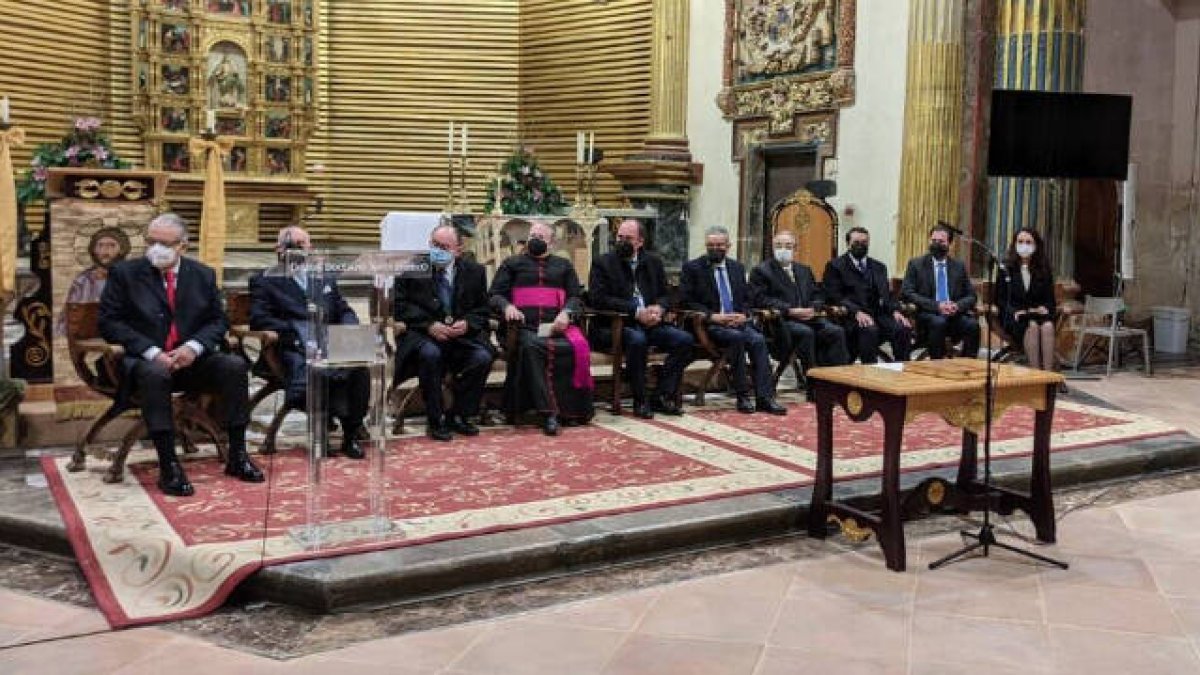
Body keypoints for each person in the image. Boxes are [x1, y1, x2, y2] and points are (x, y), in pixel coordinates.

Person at [99, 213, 263, 497]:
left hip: (191, 361)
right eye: (151, 241)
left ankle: (237, 454)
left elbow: (218, 321)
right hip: (145, 363)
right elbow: (110, 323)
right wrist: (151, 352)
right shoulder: (125, 274)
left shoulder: (202, 274)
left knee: (234, 365)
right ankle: (169, 465)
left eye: (164, 243)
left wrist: (193, 347)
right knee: (155, 372)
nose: (155, 249)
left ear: (182, 247)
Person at [248, 226, 371, 458]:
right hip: (292, 346)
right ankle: (322, 430)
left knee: (359, 369)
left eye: (302, 244)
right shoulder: (264, 280)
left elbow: (343, 308)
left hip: (330, 341)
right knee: (319, 371)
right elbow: (259, 318)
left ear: (310, 248)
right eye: (291, 245)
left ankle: (350, 434)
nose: (298, 249)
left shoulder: (323, 276)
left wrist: (349, 326)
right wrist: (297, 327)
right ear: (279, 249)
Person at [489, 222, 593, 435]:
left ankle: (571, 411)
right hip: (522, 328)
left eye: (541, 237)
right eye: (532, 235)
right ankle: (548, 413)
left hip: (557, 326)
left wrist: (567, 313)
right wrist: (507, 306)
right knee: (531, 347)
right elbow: (494, 295)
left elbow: (575, 297)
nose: (535, 240)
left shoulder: (564, 266)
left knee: (574, 347)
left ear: (552, 242)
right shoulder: (511, 264)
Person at [393, 224, 495, 441]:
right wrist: (429, 325)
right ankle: (435, 419)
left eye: (444, 247)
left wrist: (468, 323)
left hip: (461, 337)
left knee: (482, 357)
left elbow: (482, 309)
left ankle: (460, 415)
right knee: (431, 355)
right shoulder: (411, 268)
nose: (438, 250)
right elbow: (400, 306)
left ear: (458, 249)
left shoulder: (475, 272)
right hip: (423, 334)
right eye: (434, 245)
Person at [588, 219, 693, 418]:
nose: (622, 242)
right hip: (615, 325)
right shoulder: (603, 262)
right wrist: (636, 311)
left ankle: (661, 394)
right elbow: (598, 299)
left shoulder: (653, 262)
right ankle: (640, 399)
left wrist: (659, 309)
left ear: (640, 242)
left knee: (684, 340)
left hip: (651, 323)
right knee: (638, 340)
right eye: (619, 237)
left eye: (628, 238)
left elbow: (667, 294)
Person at [680, 226, 786, 415]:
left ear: (728, 246)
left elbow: (747, 298)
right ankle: (742, 396)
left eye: (719, 245)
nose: (715, 249)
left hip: (737, 321)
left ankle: (765, 397)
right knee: (736, 339)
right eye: (711, 245)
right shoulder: (692, 268)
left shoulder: (737, 268)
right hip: (710, 325)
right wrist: (713, 316)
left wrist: (743, 315)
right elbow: (686, 301)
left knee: (758, 340)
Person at [750, 231, 848, 398]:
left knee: (836, 332)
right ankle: (814, 388)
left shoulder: (804, 270)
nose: (783, 249)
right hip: (781, 321)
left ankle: (837, 383)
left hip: (810, 318)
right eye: (779, 246)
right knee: (806, 333)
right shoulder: (762, 271)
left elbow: (818, 294)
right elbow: (760, 299)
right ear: (772, 248)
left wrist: (814, 308)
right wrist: (789, 310)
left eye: (788, 246)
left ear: (795, 249)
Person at [823, 227, 912, 363]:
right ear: (848, 244)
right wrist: (856, 312)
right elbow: (834, 295)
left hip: (878, 314)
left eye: (864, 242)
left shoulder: (878, 266)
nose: (861, 245)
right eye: (856, 242)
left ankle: (904, 370)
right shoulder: (835, 266)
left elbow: (887, 294)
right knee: (869, 330)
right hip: (851, 316)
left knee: (902, 328)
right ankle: (870, 373)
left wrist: (895, 310)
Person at [901, 223, 980, 359]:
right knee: (938, 322)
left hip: (954, 315)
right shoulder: (916, 264)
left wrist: (957, 306)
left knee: (972, 325)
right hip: (928, 316)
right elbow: (908, 292)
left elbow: (971, 295)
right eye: (934, 241)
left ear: (950, 244)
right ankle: (936, 364)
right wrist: (937, 306)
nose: (936, 244)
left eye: (941, 242)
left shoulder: (958, 266)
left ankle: (968, 364)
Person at [996, 227, 1058, 373]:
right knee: (1032, 327)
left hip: (1038, 314)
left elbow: (1050, 300)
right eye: (1021, 241)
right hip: (1016, 317)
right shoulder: (1006, 268)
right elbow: (1001, 300)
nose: (1024, 245)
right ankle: (1036, 374)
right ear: (1015, 244)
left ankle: (1048, 376)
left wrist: (1044, 308)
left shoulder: (1044, 268)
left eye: (1029, 242)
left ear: (1036, 245)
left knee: (1048, 326)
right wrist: (1015, 312)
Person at [57, 228, 129, 337]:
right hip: (88, 333)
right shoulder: (83, 280)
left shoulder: (131, 278)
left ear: (121, 249)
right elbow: (71, 314)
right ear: (93, 250)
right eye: (100, 245)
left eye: (112, 245)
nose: (105, 251)